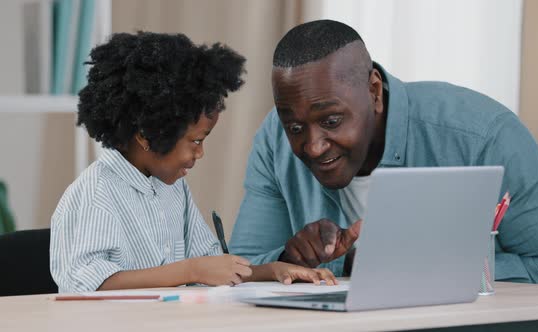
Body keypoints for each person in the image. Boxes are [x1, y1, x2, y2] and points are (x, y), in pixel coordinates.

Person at [229, 20, 538, 286]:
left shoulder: (482, 136)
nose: (314, 145)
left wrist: (433, 271)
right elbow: (239, 270)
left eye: (332, 120)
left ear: (373, 91)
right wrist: (291, 259)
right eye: (295, 127)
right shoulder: (273, 139)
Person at [50, 32, 337, 293]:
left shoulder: (173, 189)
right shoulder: (94, 193)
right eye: (196, 141)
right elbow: (86, 283)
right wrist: (189, 270)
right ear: (147, 135)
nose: (200, 153)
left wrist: (272, 271)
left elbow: (211, 267)